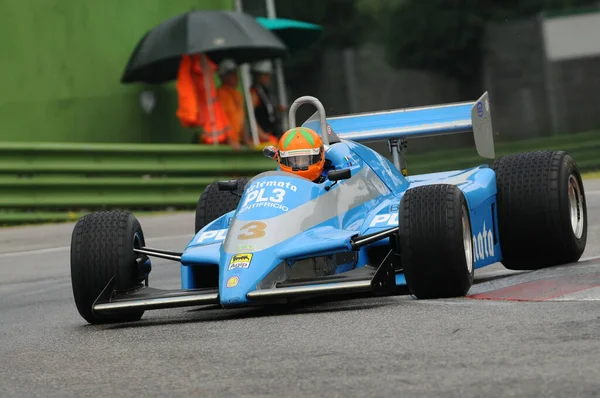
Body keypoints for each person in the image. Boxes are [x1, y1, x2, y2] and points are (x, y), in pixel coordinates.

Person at [217, 59, 277, 149]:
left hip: (236, 143)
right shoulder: (220, 95)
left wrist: (246, 140)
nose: (236, 77)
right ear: (224, 77)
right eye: (232, 74)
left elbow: (241, 120)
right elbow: (221, 119)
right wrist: (230, 140)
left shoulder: (237, 95)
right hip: (225, 143)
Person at [263, 127, 331, 183]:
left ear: (320, 155)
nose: (300, 164)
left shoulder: (331, 179)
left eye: (305, 159)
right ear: (281, 158)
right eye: (293, 160)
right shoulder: (279, 180)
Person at [250, 60, 284, 141]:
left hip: (273, 133)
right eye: (264, 75)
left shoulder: (266, 90)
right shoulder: (254, 92)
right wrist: (261, 134)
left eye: (268, 75)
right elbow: (250, 116)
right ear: (257, 75)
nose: (267, 77)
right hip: (263, 137)